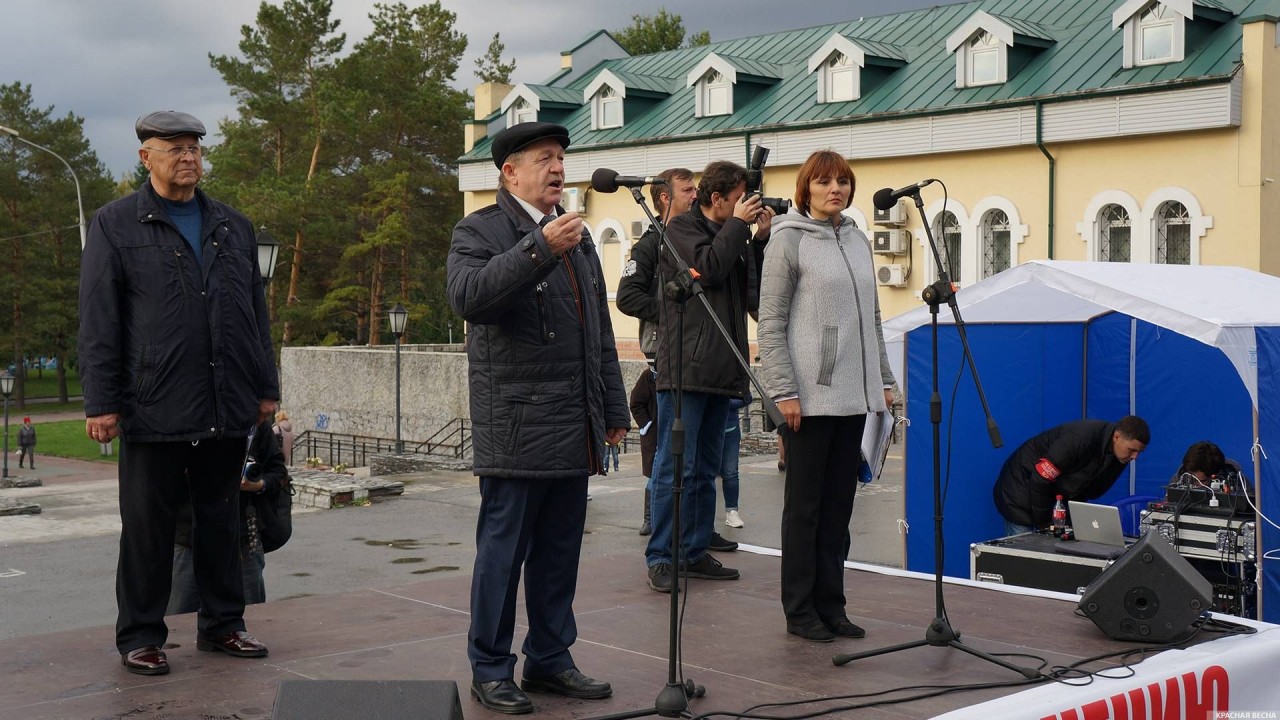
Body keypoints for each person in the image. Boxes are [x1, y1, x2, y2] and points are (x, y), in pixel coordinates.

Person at [78, 111, 279, 676]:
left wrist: (266, 386)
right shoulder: (115, 224)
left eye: (194, 148)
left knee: (220, 520)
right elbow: (99, 320)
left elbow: (253, 315)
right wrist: (101, 401)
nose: (188, 157)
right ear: (146, 157)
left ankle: (224, 625)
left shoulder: (232, 226)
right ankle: (141, 635)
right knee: (148, 527)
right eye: (175, 148)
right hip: (153, 404)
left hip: (225, 401)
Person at [447, 121, 629, 715]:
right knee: (503, 554)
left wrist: (613, 406)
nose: (558, 168)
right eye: (545, 158)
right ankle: (491, 667)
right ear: (510, 172)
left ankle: (551, 658)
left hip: (572, 423)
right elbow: (471, 297)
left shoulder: (574, 235)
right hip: (518, 423)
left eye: (561, 159)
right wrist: (538, 249)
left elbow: (596, 329)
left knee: (559, 552)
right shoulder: (479, 230)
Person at [758, 150, 894, 643]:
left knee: (839, 508)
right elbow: (770, 323)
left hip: (855, 399)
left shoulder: (857, 239)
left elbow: (872, 319)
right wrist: (784, 390)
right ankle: (799, 610)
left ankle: (832, 605)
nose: (834, 189)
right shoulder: (787, 240)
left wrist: (883, 381)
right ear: (806, 188)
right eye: (823, 182)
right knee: (804, 508)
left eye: (842, 181)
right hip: (808, 399)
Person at [644, 160, 773, 594]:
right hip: (685, 369)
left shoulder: (731, 234)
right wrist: (738, 229)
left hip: (723, 367)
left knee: (704, 470)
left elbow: (750, 293)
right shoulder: (681, 229)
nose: (745, 206)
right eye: (739, 199)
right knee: (672, 467)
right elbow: (711, 269)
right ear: (716, 198)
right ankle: (662, 555)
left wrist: (761, 240)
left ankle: (694, 551)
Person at [168, 421, 289, 615]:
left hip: (242, 536)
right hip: (188, 536)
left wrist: (258, 484)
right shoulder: (186, 417)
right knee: (180, 617)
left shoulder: (254, 423)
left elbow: (279, 473)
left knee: (251, 615)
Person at [993, 415, 1150, 537]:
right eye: (1131, 450)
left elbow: (1090, 491)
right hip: (1020, 489)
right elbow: (1040, 479)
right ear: (1116, 437)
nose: (1135, 457)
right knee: (1022, 557)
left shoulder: (1118, 456)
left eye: (1139, 452)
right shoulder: (1080, 438)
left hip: (1049, 497)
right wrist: (1046, 524)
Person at [616, 167, 697, 357]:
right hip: (664, 351)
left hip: (697, 349)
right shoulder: (649, 245)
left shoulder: (698, 238)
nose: (695, 196)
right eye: (687, 191)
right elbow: (627, 297)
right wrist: (673, 314)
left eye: (695, 190)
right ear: (665, 198)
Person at [629, 361, 658, 535]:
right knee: (653, 479)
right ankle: (648, 519)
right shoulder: (648, 376)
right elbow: (636, 403)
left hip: (669, 434)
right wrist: (647, 424)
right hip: (654, 436)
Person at [721, 396, 748, 528]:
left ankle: (732, 511)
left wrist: (725, 401)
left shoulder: (736, 375)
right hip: (707, 426)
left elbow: (746, 397)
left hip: (730, 428)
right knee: (703, 474)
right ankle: (703, 516)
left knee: (730, 472)